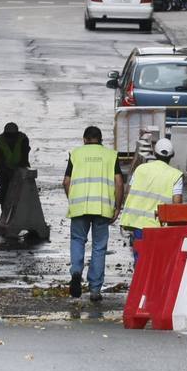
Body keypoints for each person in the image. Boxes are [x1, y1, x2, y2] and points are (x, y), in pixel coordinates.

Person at [63, 125, 125, 302]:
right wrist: (117, 206)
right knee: (99, 247)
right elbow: (119, 183)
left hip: (79, 207)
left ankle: (76, 272)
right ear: (101, 140)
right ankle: (95, 290)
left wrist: (72, 200)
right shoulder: (110, 155)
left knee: (77, 240)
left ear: (84, 140)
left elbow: (66, 182)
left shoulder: (75, 154)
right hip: (102, 208)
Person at [120, 137, 184, 264]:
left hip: (139, 223)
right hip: (160, 226)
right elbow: (177, 203)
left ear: (154, 154)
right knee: (158, 261)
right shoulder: (176, 175)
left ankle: (140, 282)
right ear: (172, 156)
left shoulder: (140, 169)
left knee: (140, 259)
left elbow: (129, 192)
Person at [0, 121, 31, 205]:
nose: (11, 139)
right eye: (9, 136)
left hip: (19, 167)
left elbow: (24, 155)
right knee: (4, 187)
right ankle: (4, 208)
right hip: (3, 168)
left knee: (21, 188)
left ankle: (19, 207)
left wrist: (20, 168)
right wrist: (5, 171)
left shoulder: (23, 139)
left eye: (13, 136)